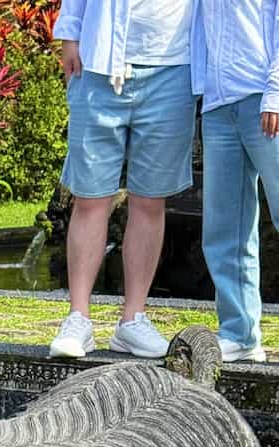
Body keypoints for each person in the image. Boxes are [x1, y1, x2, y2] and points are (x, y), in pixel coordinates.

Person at [49, 0, 199, 359]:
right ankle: (78, 318)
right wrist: (69, 35)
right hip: (99, 62)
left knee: (150, 201)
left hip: (174, 67)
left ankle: (133, 320)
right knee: (90, 198)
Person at [194, 0, 279, 363]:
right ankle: (240, 333)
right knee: (225, 228)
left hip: (265, 99)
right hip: (217, 105)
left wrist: (276, 91)